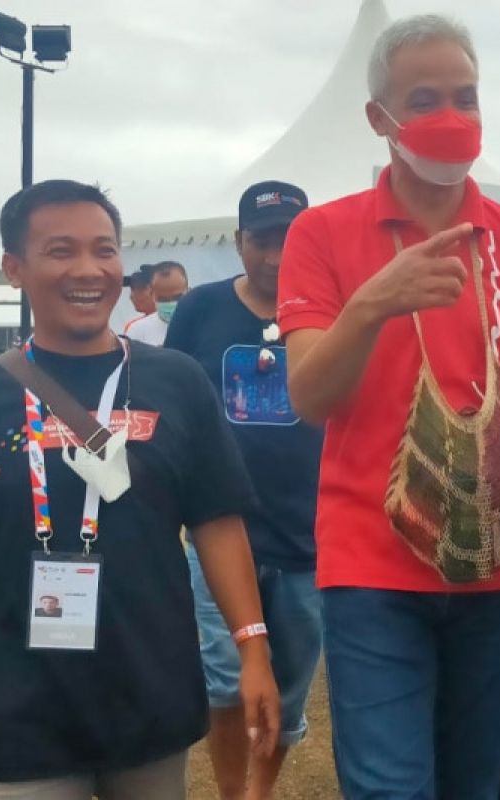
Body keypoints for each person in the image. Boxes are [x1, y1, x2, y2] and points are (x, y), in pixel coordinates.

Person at [0, 180, 280, 800]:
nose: (88, 269)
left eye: (104, 250)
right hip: (24, 700)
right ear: (15, 269)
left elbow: (216, 521)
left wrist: (253, 648)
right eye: (60, 251)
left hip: (148, 684)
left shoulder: (175, 381)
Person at [278, 15, 500, 799]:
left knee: (473, 783)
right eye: (424, 99)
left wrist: (484, 486)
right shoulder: (322, 233)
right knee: (388, 786)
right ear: (380, 120)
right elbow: (310, 397)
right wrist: (372, 305)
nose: (452, 117)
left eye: (466, 96)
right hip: (371, 562)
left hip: (498, 565)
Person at [165, 180, 323, 800]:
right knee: (225, 681)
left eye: (292, 239)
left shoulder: (333, 313)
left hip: (312, 537)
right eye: (262, 240)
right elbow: (170, 402)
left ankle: (261, 791)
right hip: (219, 531)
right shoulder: (201, 310)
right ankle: (234, 793)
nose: (277, 256)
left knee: (287, 683)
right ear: (238, 243)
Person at [127, 261, 187, 346]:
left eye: (176, 297)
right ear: (152, 295)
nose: (170, 303)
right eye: (163, 299)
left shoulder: (205, 325)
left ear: (189, 291)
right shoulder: (137, 331)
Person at [122, 265, 155, 334]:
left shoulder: (177, 323)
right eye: (131, 290)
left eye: (134, 289)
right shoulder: (133, 327)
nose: (131, 296)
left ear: (150, 290)